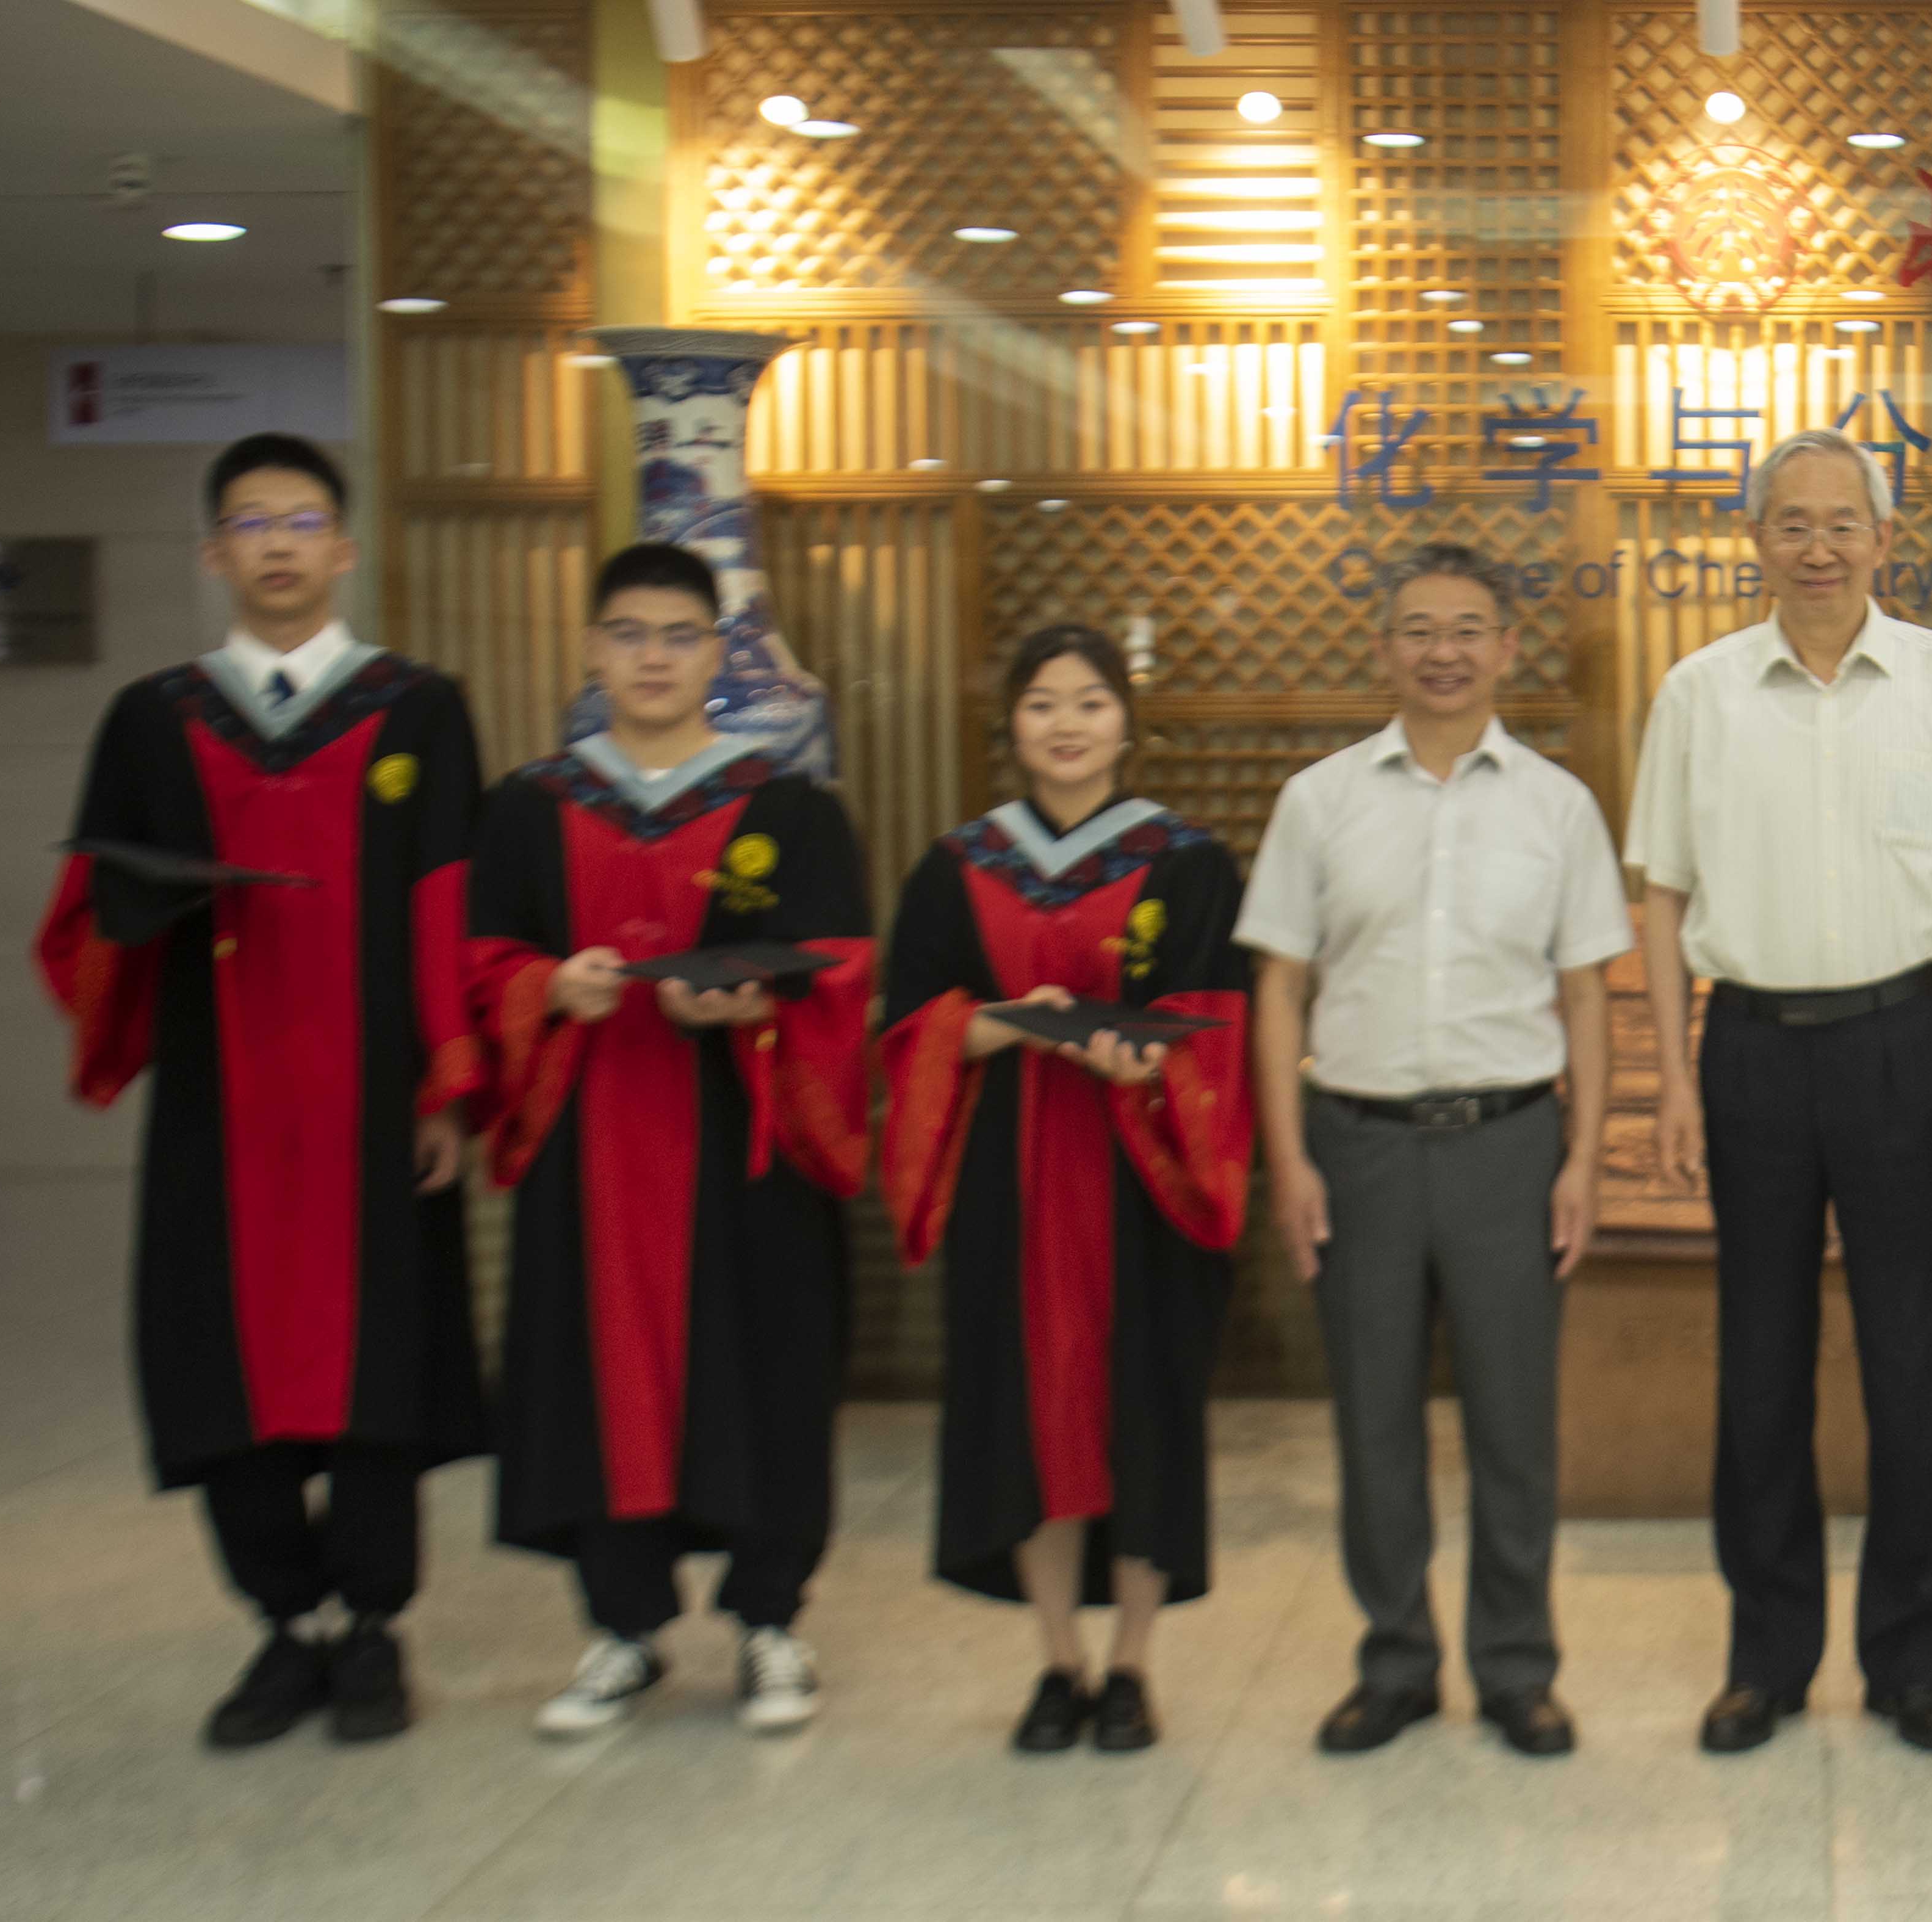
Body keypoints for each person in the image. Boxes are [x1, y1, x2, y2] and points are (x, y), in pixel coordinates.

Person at [36, 433, 488, 1747]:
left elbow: (449, 907)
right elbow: (87, 916)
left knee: (378, 1362)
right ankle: (285, 1627)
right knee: (217, 1361)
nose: (278, 543)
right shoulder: (155, 720)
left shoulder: (415, 710)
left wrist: (449, 1086)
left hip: (373, 1105)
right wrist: (139, 923)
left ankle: (373, 1627)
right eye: (251, 522)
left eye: (300, 521)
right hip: (217, 1107)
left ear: (344, 548)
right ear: (213, 553)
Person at [1627, 428, 1932, 1756]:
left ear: (1883, 538)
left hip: (1901, 1040)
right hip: (1746, 1045)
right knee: (1760, 1360)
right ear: (1755, 540)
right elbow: (1661, 891)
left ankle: (1917, 1662)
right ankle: (1767, 1658)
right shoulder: (1699, 693)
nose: (1817, 547)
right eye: (1790, 523)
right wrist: (1673, 1079)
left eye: (1841, 522)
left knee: (1913, 1358)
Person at [463, 541, 873, 1739]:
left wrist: (754, 1005)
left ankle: (770, 1621)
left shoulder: (788, 810)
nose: (654, 657)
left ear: (717, 655)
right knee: (592, 1374)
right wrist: (551, 987)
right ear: (594, 649)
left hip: (749, 1153)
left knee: (769, 1364)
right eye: (631, 634)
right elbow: (479, 964)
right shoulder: (530, 810)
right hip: (589, 1149)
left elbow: (840, 970)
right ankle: (621, 1628)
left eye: (680, 636)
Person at [1245, 544, 1630, 1760]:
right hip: (1356, 1143)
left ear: (1508, 649)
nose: (1444, 651)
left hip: (1509, 1144)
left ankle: (1517, 1667)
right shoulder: (1320, 801)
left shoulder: (1556, 805)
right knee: (1373, 1418)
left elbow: (1586, 995)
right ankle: (1396, 1660)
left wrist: (1584, 1158)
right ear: (1384, 650)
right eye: (1419, 629)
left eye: (1468, 629)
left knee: (1514, 1422)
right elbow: (1278, 988)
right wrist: (1289, 1161)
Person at [878, 626, 1252, 1755]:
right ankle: (1057, 1661)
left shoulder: (1186, 862)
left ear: (1127, 722)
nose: (1068, 724)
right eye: (1043, 703)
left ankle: (1131, 1663)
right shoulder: (958, 866)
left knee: (1143, 1408)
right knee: (1021, 1411)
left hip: (1142, 1183)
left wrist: (1151, 1069)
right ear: (1012, 723)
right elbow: (907, 1028)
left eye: (1090, 702)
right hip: (1009, 1180)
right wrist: (1009, 1023)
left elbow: (1219, 1027)